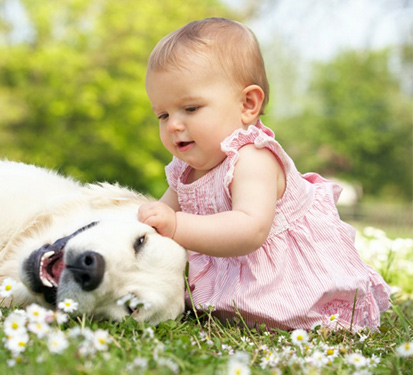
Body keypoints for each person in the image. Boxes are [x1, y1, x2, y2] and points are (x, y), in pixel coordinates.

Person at [138, 17, 391, 330]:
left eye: (190, 109)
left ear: (248, 104)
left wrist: (175, 225)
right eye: (162, 114)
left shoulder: (253, 157)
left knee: (304, 315)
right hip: (234, 274)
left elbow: (249, 229)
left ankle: (297, 313)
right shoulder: (184, 171)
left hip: (286, 277)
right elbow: (160, 214)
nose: (173, 124)